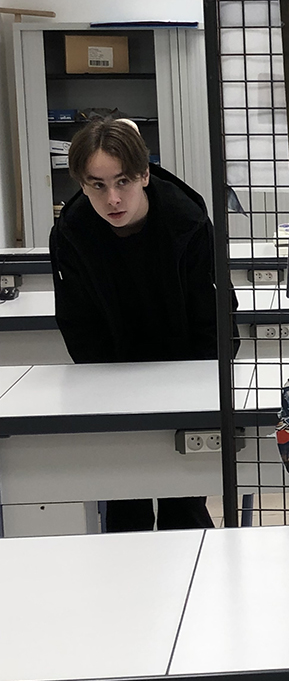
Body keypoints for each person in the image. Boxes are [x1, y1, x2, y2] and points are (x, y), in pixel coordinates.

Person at [50, 118, 232, 532]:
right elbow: (77, 323)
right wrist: (105, 392)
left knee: (183, 505)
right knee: (125, 502)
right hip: (112, 377)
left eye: (123, 181)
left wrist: (202, 391)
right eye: (97, 185)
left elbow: (214, 317)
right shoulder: (71, 232)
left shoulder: (187, 222)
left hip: (186, 373)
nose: (113, 198)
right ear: (81, 184)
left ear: (144, 175)